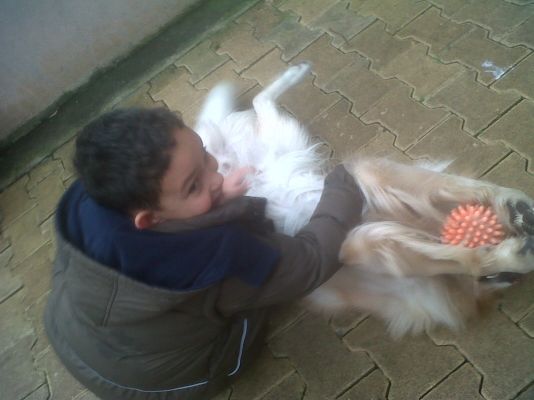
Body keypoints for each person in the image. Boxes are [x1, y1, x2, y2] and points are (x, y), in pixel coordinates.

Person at [44, 107, 364, 399]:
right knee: (262, 288)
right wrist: (349, 181)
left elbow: (177, 210)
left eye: (205, 154)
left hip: (75, 337)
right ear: (150, 219)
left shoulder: (96, 193)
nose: (217, 175)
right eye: (193, 186)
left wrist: (214, 196)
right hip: (163, 383)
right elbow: (310, 261)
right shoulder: (212, 259)